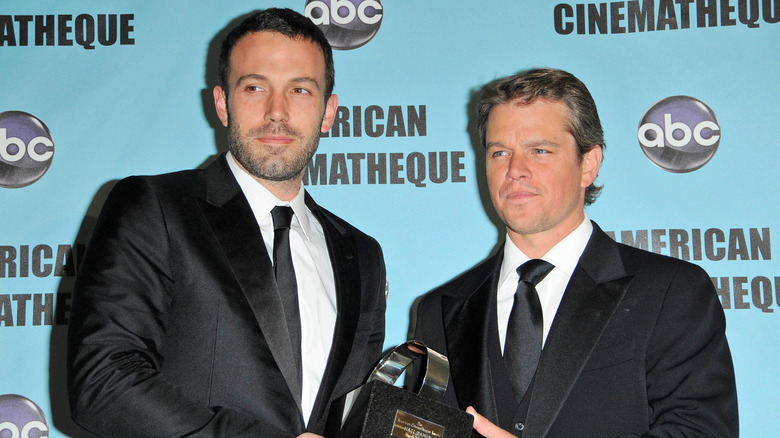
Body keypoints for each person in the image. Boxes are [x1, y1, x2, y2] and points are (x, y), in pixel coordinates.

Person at [67, 8, 386, 438]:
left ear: (328, 112)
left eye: (300, 90)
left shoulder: (362, 255)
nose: (277, 111)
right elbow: (103, 382)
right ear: (222, 103)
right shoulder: (157, 208)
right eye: (255, 87)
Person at [409, 68, 738, 437]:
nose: (516, 170)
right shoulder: (439, 310)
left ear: (588, 164)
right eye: (500, 152)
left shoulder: (671, 292)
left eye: (540, 151)